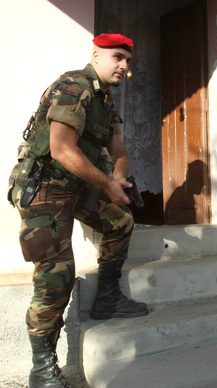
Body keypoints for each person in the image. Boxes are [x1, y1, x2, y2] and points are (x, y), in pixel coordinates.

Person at [7, 33, 149, 388]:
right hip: (44, 187)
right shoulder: (75, 85)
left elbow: (119, 150)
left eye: (128, 61)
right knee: (57, 275)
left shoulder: (107, 102)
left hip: (75, 185)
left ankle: (108, 298)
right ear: (96, 56)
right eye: (117, 58)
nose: (124, 67)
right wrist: (106, 184)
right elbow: (60, 149)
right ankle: (42, 368)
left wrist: (118, 178)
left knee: (120, 220)